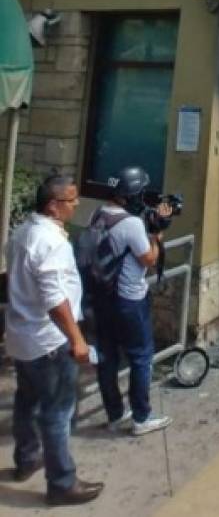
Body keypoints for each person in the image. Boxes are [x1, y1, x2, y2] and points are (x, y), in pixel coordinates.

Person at [5, 175, 104, 505]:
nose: (76, 205)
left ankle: (27, 458)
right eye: (71, 200)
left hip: (22, 337)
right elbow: (53, 298)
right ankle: (62, 482)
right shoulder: (51, 243)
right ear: (53, 205)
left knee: (27, 400)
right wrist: (77, 340)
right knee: (58, 411)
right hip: (49, 341)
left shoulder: (22, 232)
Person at [91, 166, 172, 436]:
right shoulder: (132, 224)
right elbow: (148, 259)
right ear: (131, 194)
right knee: (140, 356)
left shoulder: (100, 214)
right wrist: (157, 235)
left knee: (108, 358)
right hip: (129, 300)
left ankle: (114, 414)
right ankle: (141, 417)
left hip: (103, 299)